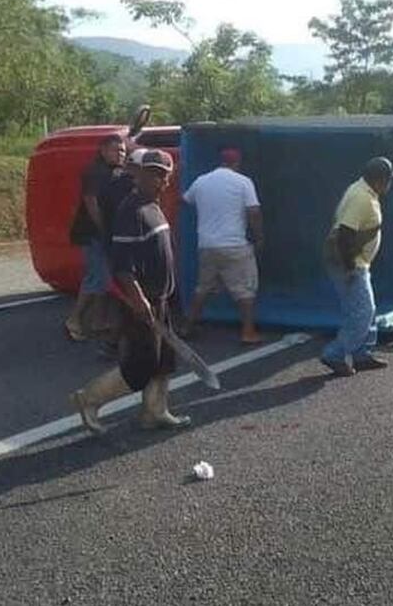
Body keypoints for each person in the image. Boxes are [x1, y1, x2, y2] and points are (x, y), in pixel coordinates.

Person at [69, 150, 191, 434]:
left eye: (164, 174)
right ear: (140, 174)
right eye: (153, 173)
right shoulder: (131, 211)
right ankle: (88, 399)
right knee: (140, 365)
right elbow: (123, 267)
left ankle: (155, 412)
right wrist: (139, 301)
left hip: (159, 298)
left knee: (163, 361)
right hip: (141, 301)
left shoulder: (153, 206)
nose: (159, 179)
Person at [319, 157, 393, 377]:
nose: (390, 185)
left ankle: (362, 353)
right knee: (363, 311)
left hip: (357, 261)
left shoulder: (362, 189)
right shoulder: (362, 198)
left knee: (363, 309)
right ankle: (335, 353)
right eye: (389, 180)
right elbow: (345, 234)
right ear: (381, 181)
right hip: (350, 262)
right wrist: (350, 267)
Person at [181, 146, 264, 343]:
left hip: (207, 245)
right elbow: (254, 212)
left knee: (203, 288)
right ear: (237, 163)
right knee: (245, 290)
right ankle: (248, 332)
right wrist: (259, 237)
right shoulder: (243, 182)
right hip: (234, 245)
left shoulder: (201, 181)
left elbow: (184, 201)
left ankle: (187, 327)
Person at [65, 133, 127, 359]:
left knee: (104, 279)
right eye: (115, 150)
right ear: (103, 151)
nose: (120, 154)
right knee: (96, 278)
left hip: (104, 234)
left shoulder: (116, 172)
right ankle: (74, 320)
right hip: (92, 233)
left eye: (122, 150)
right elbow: (91, 203)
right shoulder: (95, 172)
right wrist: (104, 230)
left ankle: (99, 320)